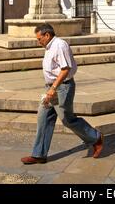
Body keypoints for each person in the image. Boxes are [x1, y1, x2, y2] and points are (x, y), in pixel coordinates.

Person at [21, 24, 103, 164]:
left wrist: (53, 88)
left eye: (39, 38)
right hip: (52, 88)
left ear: (47, 35)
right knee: (43, 118)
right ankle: (39, 154)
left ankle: (96, 138)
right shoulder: (49, 47)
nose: (38, 42)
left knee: (67, 119)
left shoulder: (59, 45)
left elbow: (65, 69)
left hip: (61, 88)